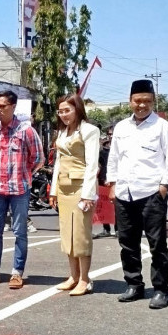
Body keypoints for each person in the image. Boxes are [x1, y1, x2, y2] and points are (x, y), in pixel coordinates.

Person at [106, 79, 168, 309]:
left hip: (151, 193)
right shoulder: (121, 127)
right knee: (127, 242)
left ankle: (160, 289)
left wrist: (164, 186)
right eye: (138, 101)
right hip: (124, 193)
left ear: (153, 102)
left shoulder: (162, 127)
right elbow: (114, 158)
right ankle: (134, 284)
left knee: (157, 244)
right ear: (130, 101)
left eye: (147, 101)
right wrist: (112, 184)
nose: (142, 105)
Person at [0, 90, 44, 290]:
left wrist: (23, 173)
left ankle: (17, 272)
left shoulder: (26, 131)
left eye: (2, 106)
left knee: (19, 231)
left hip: (20, 189)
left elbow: (38, 158)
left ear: (13, 107)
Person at [48, 94, 100, 296]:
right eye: (60, 111)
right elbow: (58, 163)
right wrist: (53, 190)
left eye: (67, 110)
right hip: (64, 188)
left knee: (80, 235)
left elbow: (92, 165)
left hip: (81, 188)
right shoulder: (62, 132)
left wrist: (88, 195)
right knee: (67, 234)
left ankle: (85, 279)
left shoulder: (89, 130)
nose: (63, 115)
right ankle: (73, 276)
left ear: (77, 109)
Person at [93, 126, 117, 239]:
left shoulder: (121, 148)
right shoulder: (103, 150)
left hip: (117, 182)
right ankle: (106, 229)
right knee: (104, 207)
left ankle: (118, 230)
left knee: (117, 207)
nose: (111, 136)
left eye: (113, 133)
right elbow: (99, 165)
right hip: (103, 180)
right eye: (109, 134)